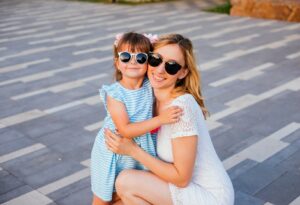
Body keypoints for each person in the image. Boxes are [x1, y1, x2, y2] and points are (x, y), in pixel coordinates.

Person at [105, 34, 235, 205]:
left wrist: (133, 150)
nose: (159, 70)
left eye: (171, 66)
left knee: (126, 182)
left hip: (208, 196)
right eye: (155, 59)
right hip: (178, 187)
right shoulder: (148, 99)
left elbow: (182, 179)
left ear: (182, 73)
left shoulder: (181, 108)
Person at [90, 32, 183, 205]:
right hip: (112, 151)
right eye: (125, 57)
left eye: (140, 57)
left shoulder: (151, 85)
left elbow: (170, 81)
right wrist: (161, 120)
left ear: (149, 62)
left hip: (138, 149)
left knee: (123, 193)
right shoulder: (115, 94)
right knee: (103, 198)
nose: (133, 61)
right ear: (117, 63)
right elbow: (125, 129)